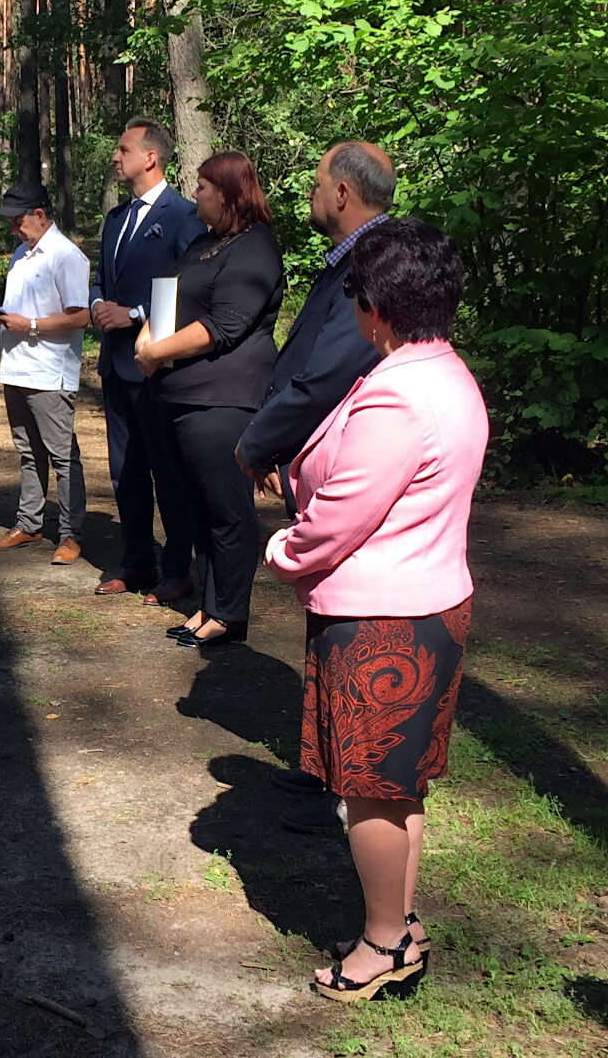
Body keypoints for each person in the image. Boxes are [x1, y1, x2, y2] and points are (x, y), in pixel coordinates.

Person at [263, 218, 487, 1001]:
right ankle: (399, 924)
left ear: (377, 308)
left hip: (382, 622)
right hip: (428, 605)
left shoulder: (398, 395)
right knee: (397, 786)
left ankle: (383, 944)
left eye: (354, 293)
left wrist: (284, 550)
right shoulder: (445, 372)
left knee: (369, 793)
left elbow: (340, 517)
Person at [232, 141, 395, 832]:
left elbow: (326, 373)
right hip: (319, 455)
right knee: (326, 617)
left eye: (317, 182)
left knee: (352, 624)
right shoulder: (352, 258)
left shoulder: (375, 264)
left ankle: (349, 786)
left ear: (343, 194)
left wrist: (261, 440)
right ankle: (326, 763)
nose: (309, 193)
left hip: (349, 464)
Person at [132, 151, 284, 648]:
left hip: (222, 401)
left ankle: (228, 614)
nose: (194, 194)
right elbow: (165, 298)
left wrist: (156, 351)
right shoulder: (203, 243)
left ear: (227, 193)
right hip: (177, 397)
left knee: (227, 510)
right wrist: (147, 337)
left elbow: (226, 324)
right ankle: (209, 605)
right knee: (198, 510)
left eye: (201, 187)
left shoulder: (256, 247)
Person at [89, 118, 204, 603]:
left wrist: (135, 314)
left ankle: (177, 569)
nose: (115, 157)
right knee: (125, 470)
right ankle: (136, 561)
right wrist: (98, 304)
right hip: (115, 365)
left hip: (156, 367)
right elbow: (102, 277)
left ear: (150, 157)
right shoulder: (116, 218)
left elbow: (188, 289)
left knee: (167, 471)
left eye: (123, 149)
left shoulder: (184, 216)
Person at [0, 181, 91, 564]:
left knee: (62, 457)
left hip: (49, 372)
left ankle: (70, 534)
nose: (14, 229)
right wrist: (0, 314)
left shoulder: (66, 256)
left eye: (18, 221)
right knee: (29, 452)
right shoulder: (21, 254)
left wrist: (28, 325)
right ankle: (29, 523)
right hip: (16, 368)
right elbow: (24, 307)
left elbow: (80, 316)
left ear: (40, 215)